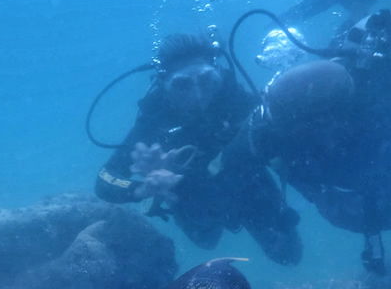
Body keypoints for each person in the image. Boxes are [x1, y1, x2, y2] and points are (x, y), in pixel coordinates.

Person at [220, 8, 391, 274]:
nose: (328, 138)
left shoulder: (378, 97)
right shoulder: (262, 134)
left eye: (333, 122)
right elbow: (232, 166)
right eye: (310, 130)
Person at [93, 33, 297, 259]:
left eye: (207, 80)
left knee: (289, 255)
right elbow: (105, 179)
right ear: (164, 84)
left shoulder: (237, 100)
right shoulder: (155, 119)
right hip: (192, 194)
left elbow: (283, 140)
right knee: (206, 241)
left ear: (218, 73)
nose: (198, 94)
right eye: (182, 84)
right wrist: (144, 189)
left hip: (249, 185)